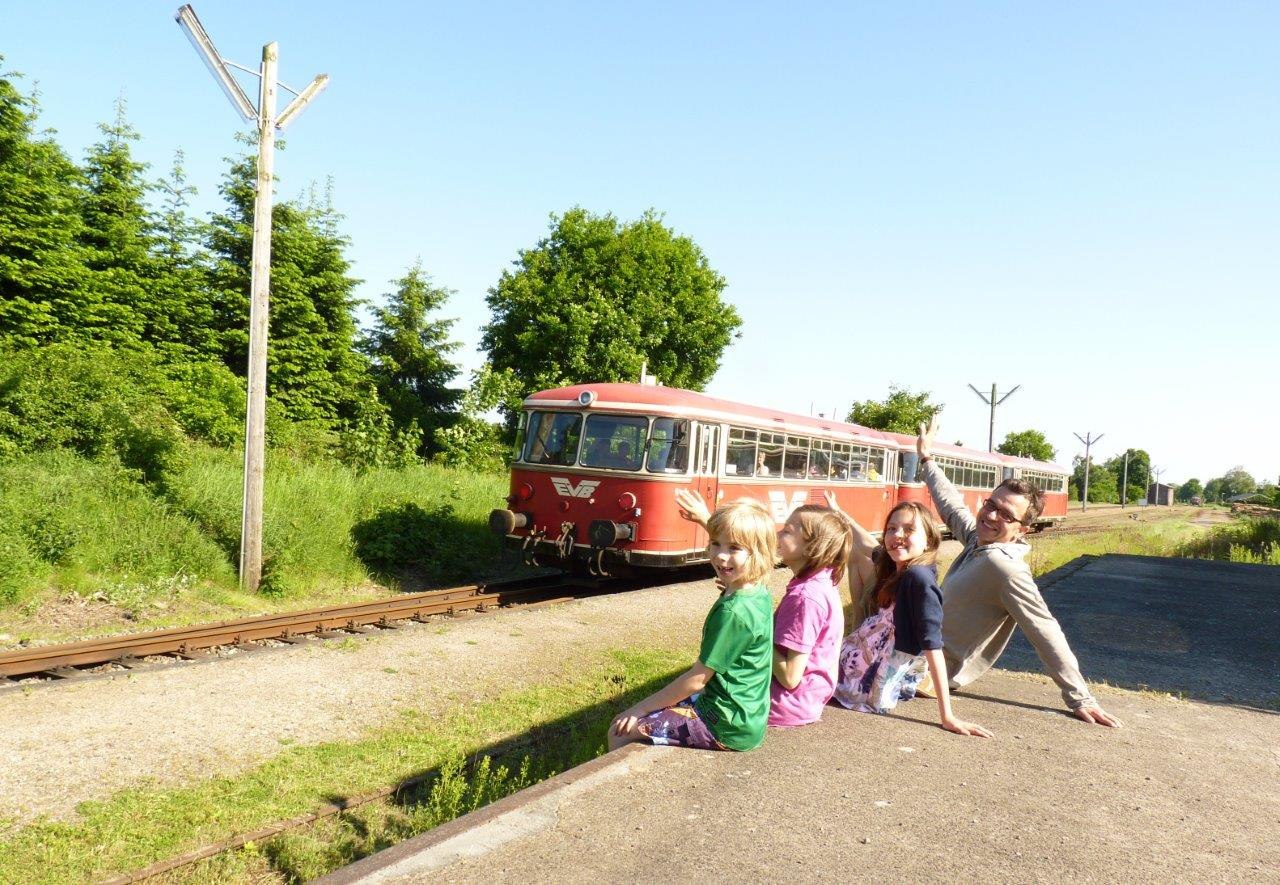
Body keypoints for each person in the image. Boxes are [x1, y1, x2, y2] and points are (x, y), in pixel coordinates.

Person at [915, 416, 1121, 728]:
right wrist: (927, 458)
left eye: (1005, 514)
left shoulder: (1004, 567)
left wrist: (1080, 697)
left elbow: (1045, 630)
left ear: (1022, 528)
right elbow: (952, 507)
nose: (991, 514)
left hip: (927, 672)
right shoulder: (980, 542)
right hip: (917, 654)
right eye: (990, 504)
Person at [674, 489, 852, 728]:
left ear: (811, 548)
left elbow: (790, 677)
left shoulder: (805, 597)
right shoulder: (819, 582)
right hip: (805, 702)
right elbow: (748, 556)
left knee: (671, 704)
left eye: (787, 531)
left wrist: (758, 631)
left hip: (782, 705)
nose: (777, 534)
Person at [609, 498, 775, 751]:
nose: (720, 555)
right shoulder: (757, 592)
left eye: (733, 548)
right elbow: (738, 543)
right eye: (714, 544)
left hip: (723, 724)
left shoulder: (734, 612)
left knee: (621, 730)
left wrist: (638, 708)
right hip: (746, 715)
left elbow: (697, 680)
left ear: (758, 554)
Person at [832, 501, 992, 737]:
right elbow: (869, 545)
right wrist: (838, 509)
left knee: (812, 669)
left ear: (928, 539)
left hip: (876, 667)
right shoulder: (899, 566)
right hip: (871, 651)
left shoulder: (918, 578)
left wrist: (947, 716)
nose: (897, 535)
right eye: (891, 529)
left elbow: (933, 645)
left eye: (908, 529)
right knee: (858, 552)